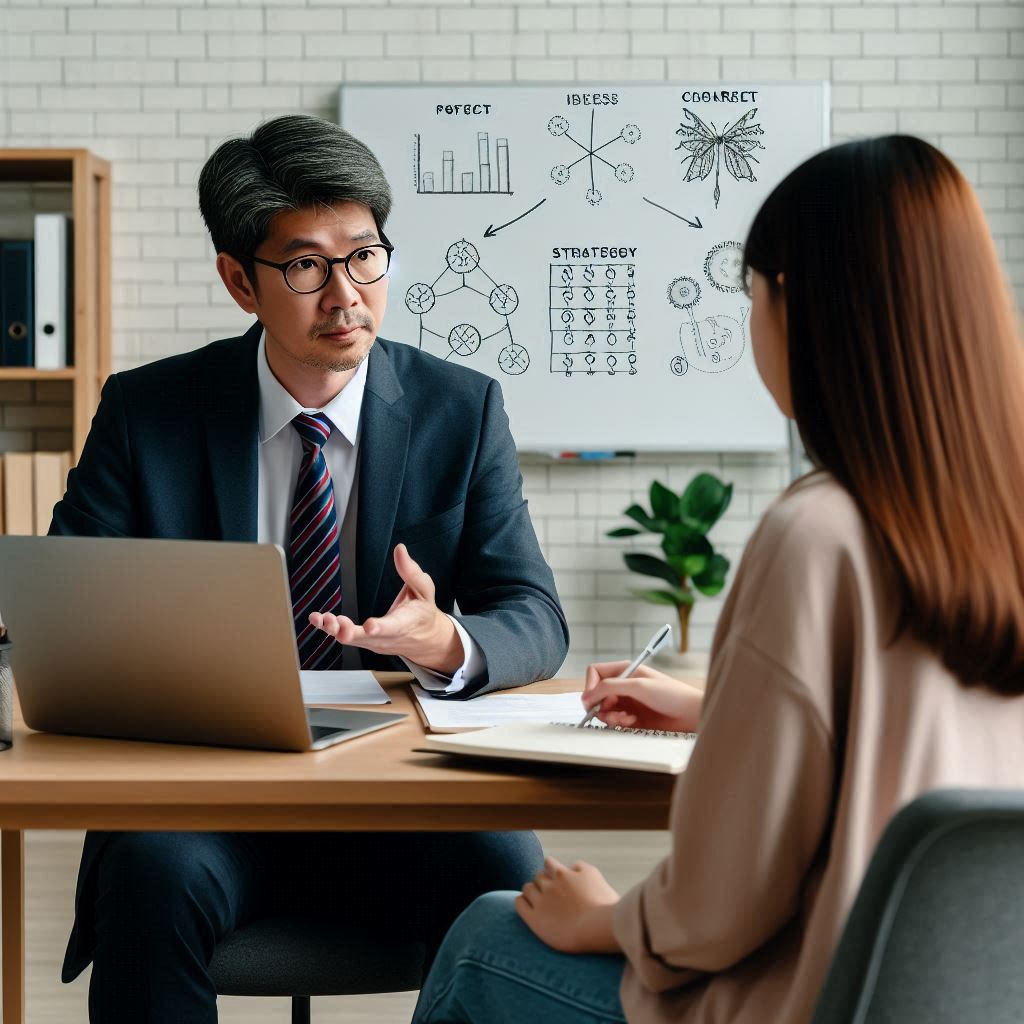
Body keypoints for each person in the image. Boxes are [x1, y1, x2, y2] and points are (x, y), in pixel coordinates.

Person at [412, 134, 1024, 1024]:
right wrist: (721, 707)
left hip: (818, 998)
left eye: (753, 294)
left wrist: (604, 919)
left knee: (485, 934)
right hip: (977, 995)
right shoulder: (996, 514)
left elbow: (720, 908)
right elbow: (929, 731)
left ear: (800, 307)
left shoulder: (819, 532)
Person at [49, 114, 568, 1023]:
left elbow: (533, 615)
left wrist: (447, 640)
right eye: (305, 266)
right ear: (238, 281)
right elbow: (68, 596)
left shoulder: (462, 408)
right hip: (210, 798)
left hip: (400, 799)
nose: (346, 297)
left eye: (365, 256)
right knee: (146, 869)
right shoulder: (149, 410)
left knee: (507, 869)